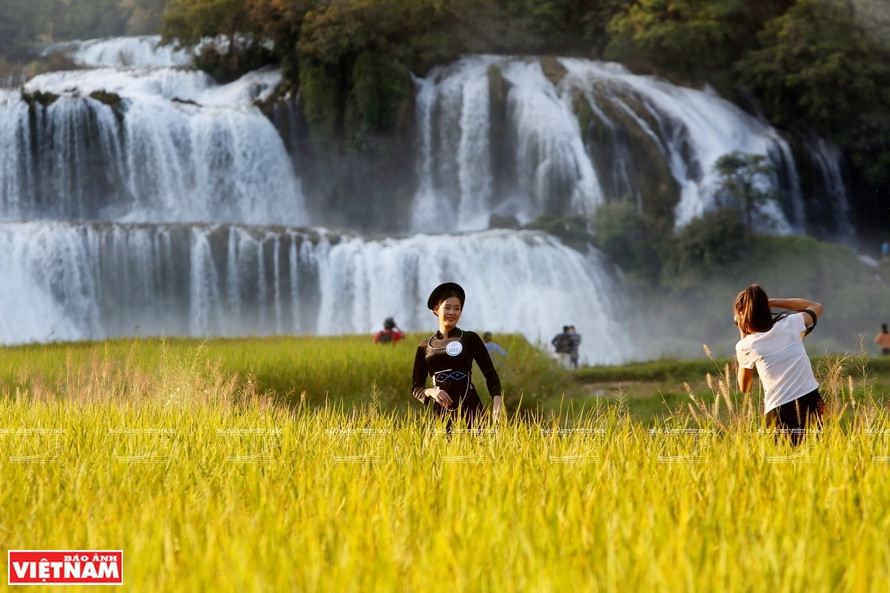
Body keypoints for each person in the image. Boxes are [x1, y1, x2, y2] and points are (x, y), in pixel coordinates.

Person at [733, 284, 824, 446]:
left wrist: (744, 339)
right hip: (812, 401)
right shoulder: (791, 323)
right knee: (817, 458)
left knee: (785, 464)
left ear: (742, 316)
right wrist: (771, 302)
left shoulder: (746, 347)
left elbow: (745, 388)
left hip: (779, 409)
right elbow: (816, 306)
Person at [412, 282, 503, 427]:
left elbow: (490, 373)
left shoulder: (469, 338)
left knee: (479, 448)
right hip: (441, 412)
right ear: (436, 309)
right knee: (444, 449)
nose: (452, 313)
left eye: (457, 308)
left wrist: (497, 401)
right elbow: (416, 387)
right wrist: (431, 392)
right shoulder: (425, 347)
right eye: (447, 307)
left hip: (471, 408)